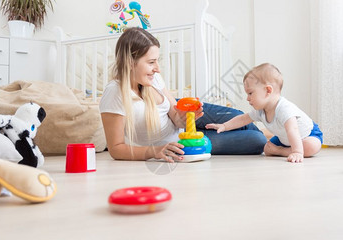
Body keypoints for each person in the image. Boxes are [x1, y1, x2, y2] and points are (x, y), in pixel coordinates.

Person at [99, 27, 266, 162]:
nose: (158, 68)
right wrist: (155, 151)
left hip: (180, 123)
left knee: (239, 117)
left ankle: (280, 135)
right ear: (130, 62)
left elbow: (174, 115)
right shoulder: (115, 93)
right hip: (178, 142)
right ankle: (276, 138)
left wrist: (186, 117)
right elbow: (116, 148)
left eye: (157, 60)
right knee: (256, 141)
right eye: (151, 62)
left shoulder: (153, 79)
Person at [206, 63, 323, 163]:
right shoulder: (261, 110)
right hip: (285, 140)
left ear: (268, 90)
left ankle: (284, 151)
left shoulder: (284, 108)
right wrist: (224, 126)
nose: (247, 98)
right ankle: (284, 150)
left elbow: (293, 130)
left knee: (311, 146)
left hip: (308, 135)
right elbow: (243, 119)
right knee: (267, 149)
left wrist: (297, 152)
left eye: (250, 93)